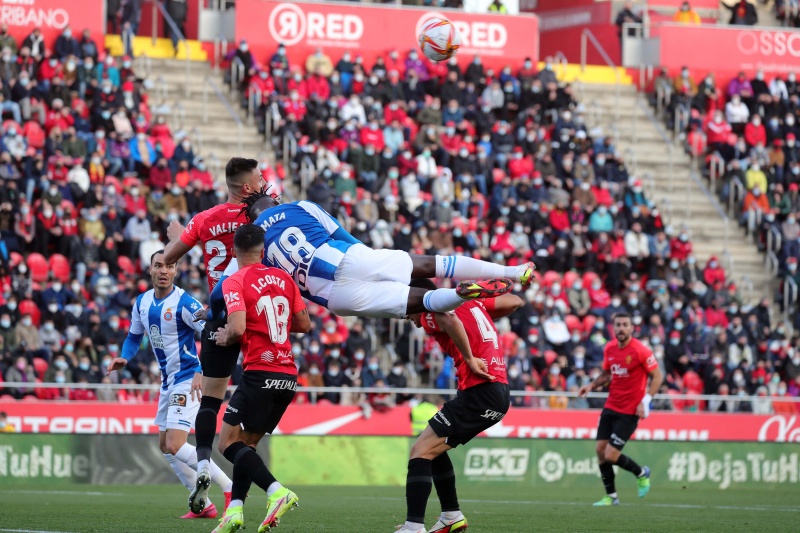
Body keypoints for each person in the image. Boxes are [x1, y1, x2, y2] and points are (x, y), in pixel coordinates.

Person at [214, 180, 534, 322]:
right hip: (347, 259)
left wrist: (210, 312)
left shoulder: (252, 244)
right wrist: (377, 265)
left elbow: (224, 289)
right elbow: (346, 237)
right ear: (274, 199)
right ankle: (513, 272)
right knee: (436, 264)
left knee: (423, 302)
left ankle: (460, 295)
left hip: (333, 298)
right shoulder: (302, 207)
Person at [163, 157, 265, 498]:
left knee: (209, 402)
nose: (264, 182)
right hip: (257, 311)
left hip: (220, 314)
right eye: (260, 178)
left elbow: (169, 257)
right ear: (248, 186)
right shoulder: (261, 215)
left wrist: (177, 236)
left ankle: (204, 462)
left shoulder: (205, 218)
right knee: (254, 397)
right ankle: (252, 484)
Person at [106, 250, 233, 518]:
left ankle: (229, 488)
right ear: (150, 269)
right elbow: (133, 336)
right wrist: (124, 357)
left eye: (170, 266)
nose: (164, 271)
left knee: (175, 444)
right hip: (168, 381)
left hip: (188, 379)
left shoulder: (184, 303)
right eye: (159, 266)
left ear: (176, 271)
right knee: (165, 446)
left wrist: (201, 370)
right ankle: (203, 505)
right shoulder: (142, 302)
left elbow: (210, 333)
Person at [396, 279, 522, 533]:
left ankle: (413, 527)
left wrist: (469, 358)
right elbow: (515, 301)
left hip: (480, 391)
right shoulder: (472, 302)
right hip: (497, 392)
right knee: (433, 450)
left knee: (419, 452)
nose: (407, 314)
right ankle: (451, 515)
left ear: (419, 297)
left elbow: (448, 320)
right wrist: (480, 294)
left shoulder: (432, 309)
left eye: (408, 304)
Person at [207, 224, 312, 533]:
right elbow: (304, 324)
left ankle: (276, 491)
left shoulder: (235, 280)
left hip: (260, 373)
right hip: (287, 376)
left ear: (234, 252)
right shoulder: (284, 278)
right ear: (263, 251)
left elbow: (238, 328)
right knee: (246, 446)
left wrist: (226, 336)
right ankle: (235, 511)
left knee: (226, 443)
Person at [578, 312, 664, 506]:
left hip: (630, 410)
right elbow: (606, 374)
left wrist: (646, 401)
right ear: (613, 328)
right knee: (600, 451)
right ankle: (611, 496)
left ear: (632, 328)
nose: (621, 328)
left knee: (611, 454)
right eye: (618, 325)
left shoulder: (641, 350)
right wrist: (590, 386)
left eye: (625, 325)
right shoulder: (609, 348)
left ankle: (641, 473)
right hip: (611, 405)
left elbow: (658, 376)